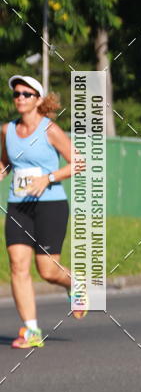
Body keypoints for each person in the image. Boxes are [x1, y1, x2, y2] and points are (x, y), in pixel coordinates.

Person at [0, 75, 87, 349]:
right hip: (19, 205)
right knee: (17, 265)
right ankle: (31, 330)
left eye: (26, 94)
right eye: (17, 94)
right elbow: (5, 162)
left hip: (51, 205)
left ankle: (76, 285)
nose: (20, 98)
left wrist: (47, 178)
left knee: (47, 270)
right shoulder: (6, 130)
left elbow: (79, 163)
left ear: (38, 99)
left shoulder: (50, 130)